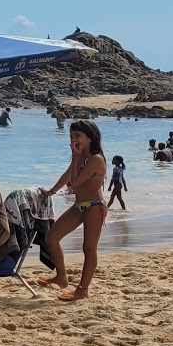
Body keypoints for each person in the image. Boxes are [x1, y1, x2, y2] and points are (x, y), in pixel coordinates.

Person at [38, 120, 107, 302]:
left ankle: (82, 290)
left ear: (90, 138)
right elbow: (68, 175)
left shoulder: (95, 159)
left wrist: (75, 157)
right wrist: (50, 192)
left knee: (89, 248)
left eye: (78, 136)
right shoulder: (80, 156)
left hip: (94, 207)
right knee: (51, 237)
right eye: (71, 136)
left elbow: (75, 183)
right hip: (79, 206)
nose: (73, 140)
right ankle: (61, 277)